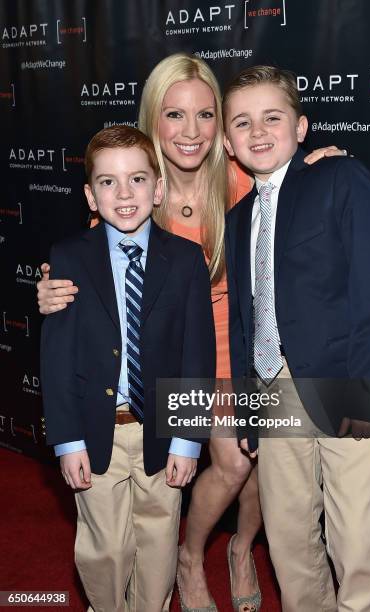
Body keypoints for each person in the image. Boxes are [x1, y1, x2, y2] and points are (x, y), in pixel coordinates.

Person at [37, 53, 346, 612]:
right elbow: (91, 277)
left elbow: (289, 185)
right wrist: (49, 289)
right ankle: (189, 554)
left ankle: (242, 549)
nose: (191, 131)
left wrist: (315, 168)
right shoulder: (133, 183)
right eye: (175, 115)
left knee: (266, 456)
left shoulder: (239, 173)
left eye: (206, 116)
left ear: (221, 127)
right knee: (229, 461)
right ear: (154, 118)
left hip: (248, 340)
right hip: (180, 354)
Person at [223, 65, 370, 612]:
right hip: (273, 387)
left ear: (301, 127)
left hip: (347, 383)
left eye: (272, 118)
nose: (258, 131)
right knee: (288, 539)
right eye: (242, 122)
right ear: (229, 142)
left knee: (356, 543)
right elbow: (243, 318)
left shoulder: (340, 179)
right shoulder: (238, 219)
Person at [40, 125, 216, 612]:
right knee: (105, 552)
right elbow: (56, 358)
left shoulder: (185, 261)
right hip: (97, 435)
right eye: (108, 182)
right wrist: (67, 439)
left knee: (159, 547)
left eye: (137, 179)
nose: (124, 194)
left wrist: (188, 438)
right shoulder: (68, 258)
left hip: (161, 430)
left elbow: (197, 356)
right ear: (90, 196)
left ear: (158, 189)